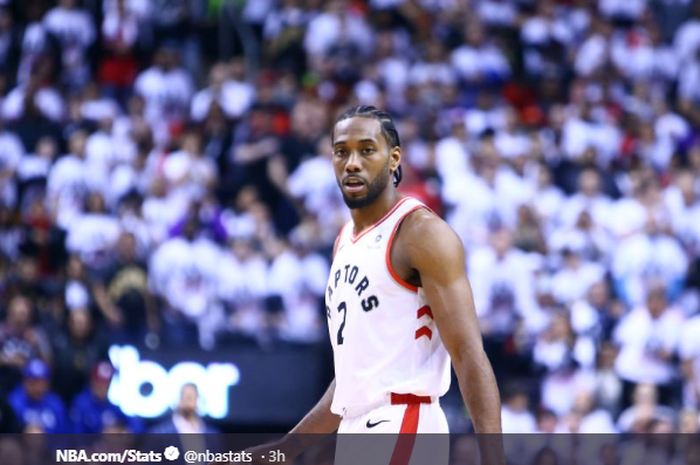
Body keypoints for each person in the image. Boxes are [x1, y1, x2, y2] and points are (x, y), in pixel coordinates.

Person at [247, 106, 503, 465]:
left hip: (404, 424)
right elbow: (353, 384)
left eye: (367, 150)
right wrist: (285, 450)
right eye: (341, 151)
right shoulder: (344, 242)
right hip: (359, 430)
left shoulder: (420, 233)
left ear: (393, 158)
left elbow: (469, 355)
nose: (352, 162)